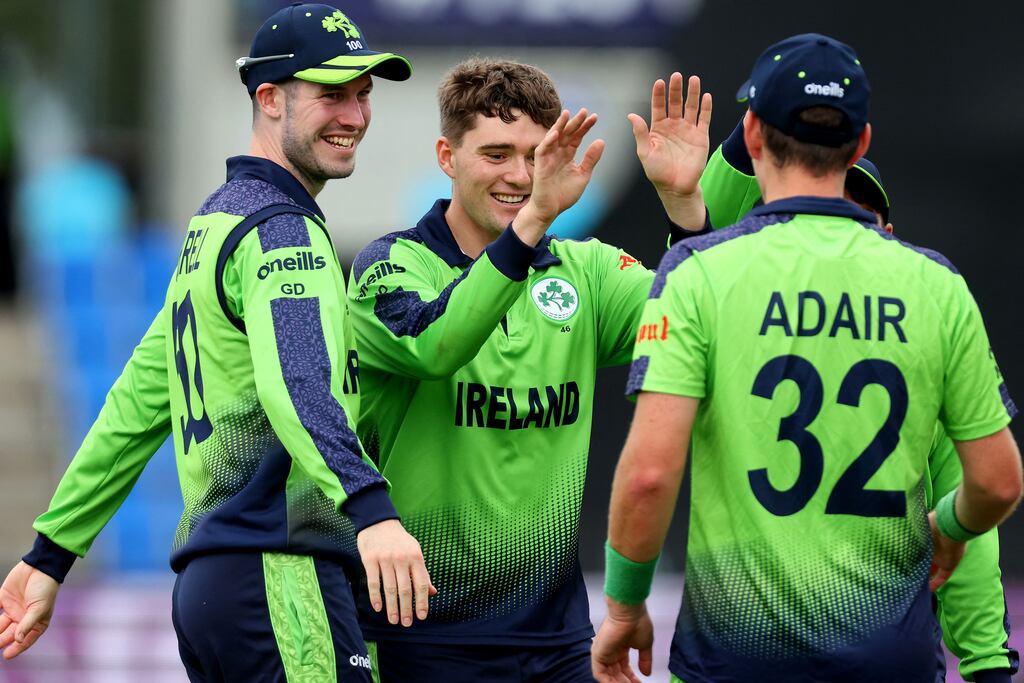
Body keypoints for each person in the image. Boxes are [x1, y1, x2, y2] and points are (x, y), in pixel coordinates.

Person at [0, 5, 434, 681]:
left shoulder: (216, 222)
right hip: (278, 574)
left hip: (213, 589)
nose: (354, 115)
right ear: (268, 98)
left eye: (363, 93)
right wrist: (371, 510)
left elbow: (138, 403)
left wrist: (50, 552)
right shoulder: (281, 230)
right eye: (331, 94)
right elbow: (298, 384)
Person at [592, 33, 1021, 683]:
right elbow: (997, 481)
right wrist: (951, 527)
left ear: (755, 136)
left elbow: (649, 475)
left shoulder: (704, 274)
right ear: (863, 142)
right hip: (888, 660)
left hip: (733, 660)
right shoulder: (936, 286)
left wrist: (624, 603)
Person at [344, 58, 711, 682]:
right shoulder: (389, 268)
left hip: (557, 641)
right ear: (446, 155)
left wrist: (685, 210)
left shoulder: (586, 272)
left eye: (535, 155)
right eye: (495, 154)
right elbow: (437, 344)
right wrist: (534, 218)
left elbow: (698, 326)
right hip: (417, 639)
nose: (519, 176)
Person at [682, 114, 1019, 683]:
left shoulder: (733, 333)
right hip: (876, 657)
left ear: (889, 237)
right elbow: (980, 502)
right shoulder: (739, 331)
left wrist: (987, 661)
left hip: (745, 656)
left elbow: (973, 509)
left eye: (859, 217)